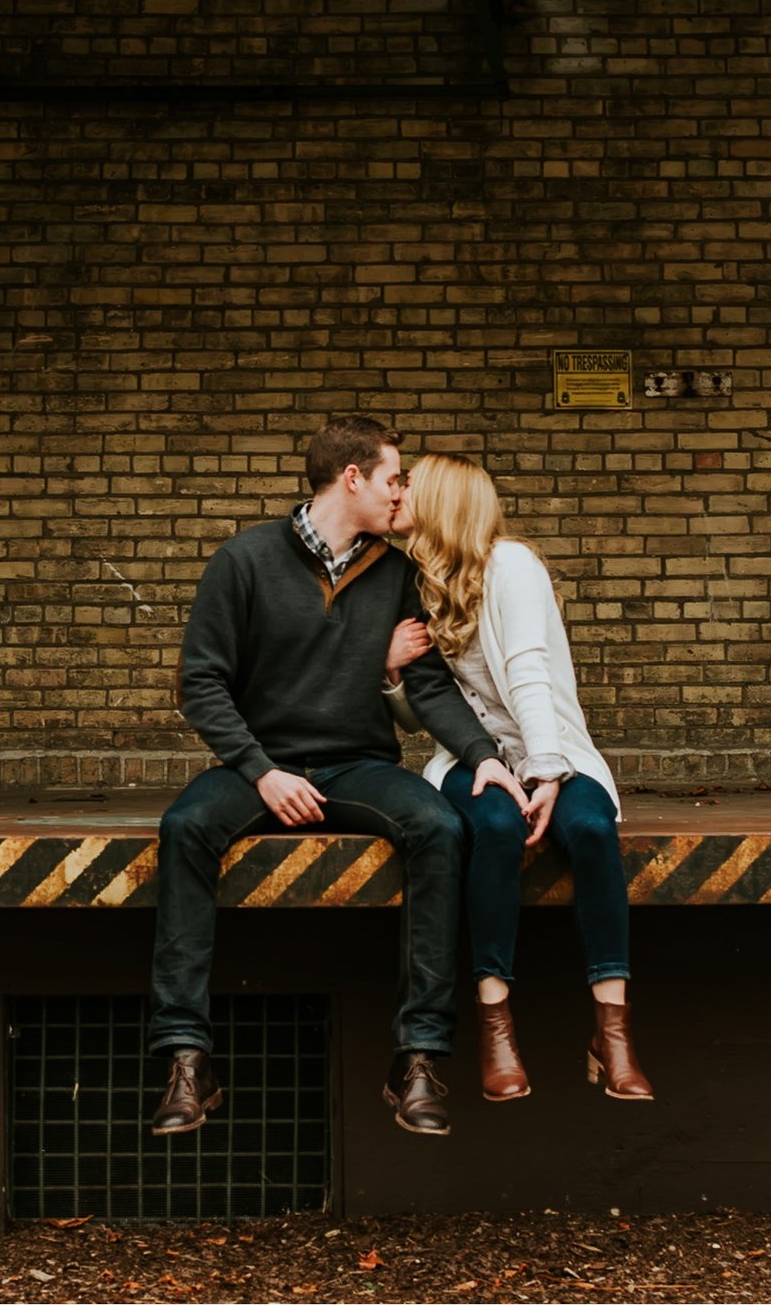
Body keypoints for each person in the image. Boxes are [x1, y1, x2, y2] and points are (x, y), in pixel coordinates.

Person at [151, 416, 527, 1138]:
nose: (401, 493)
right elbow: (201, 684)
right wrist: (261, 772)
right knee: (185, 827)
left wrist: (485, 758)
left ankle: (417, 1055)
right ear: (351, 477)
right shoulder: (245, 559)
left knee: (440, 827)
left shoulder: (395, 573)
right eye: (393, 477)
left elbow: (433, 686)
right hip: (260, 761)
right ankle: (187, 1058)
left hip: (357, 763)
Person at [384, 453, 655, 1103]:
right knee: (496, 826)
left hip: (554, 749)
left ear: (444, 500)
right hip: (471, 759)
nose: (395, 495)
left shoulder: (511, 566)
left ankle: (612, 1032)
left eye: (407, 486)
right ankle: (496, 1023)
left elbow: (530, 675)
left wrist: (546, 772)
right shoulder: (416, 579)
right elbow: (422, 709)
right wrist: (390, 674)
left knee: (590, 828)